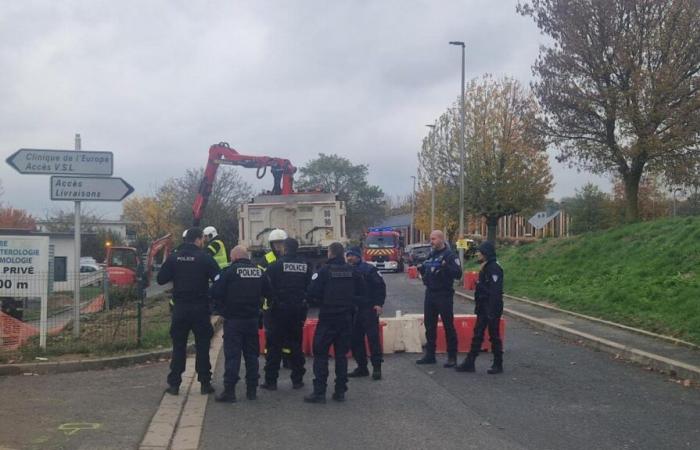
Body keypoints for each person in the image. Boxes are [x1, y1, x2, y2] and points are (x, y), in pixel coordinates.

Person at [157, 227, 220, 396]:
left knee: (179, 346)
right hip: (200, 308)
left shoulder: (174, 258)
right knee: (203, 345)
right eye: (202, 239)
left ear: (185, 240)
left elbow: (160, 279)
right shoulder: (205, 258)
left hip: (180, 308)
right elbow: (218, 279)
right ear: (199, 240)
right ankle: (205, 384)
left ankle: (175, 384)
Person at [304, 242, 365, 404]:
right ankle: (340, 391)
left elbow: (311, 293)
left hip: (328, 318)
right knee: (341, 355)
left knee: (321, 354)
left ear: (330, 254)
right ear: (343, 254)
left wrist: (322, 300)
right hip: (346, 318)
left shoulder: (324, 271)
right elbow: (361, 291)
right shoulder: (353, 272)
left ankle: (319, 392)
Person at [211, 245, 273, 402]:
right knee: (252, 356)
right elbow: (270, 293)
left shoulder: (229, 272)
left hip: (233, 321)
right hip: (252, 320)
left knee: (233, 357)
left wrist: (222, 309)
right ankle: (252, 391)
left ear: (234, 257)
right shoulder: (259, 271)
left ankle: (230, 392)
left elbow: (216, 293)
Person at [261, 238, 312, 390]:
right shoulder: (305, 266)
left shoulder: (275, 266)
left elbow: (266, 287)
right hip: (297, 311)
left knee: (274, 347)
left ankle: (271, 381)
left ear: (285, 249)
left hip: (278, 311)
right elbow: (310, 288)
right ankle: (297, 379)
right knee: (296, 345)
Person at [456, 241, 504, 374]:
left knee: (494, 335)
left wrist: (492, 311)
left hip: (491, 307)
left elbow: (495, 291)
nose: (478, 254)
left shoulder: (494, 268)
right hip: (483, 306)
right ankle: (470, 362)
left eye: (480, 252)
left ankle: (498, 363)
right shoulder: (486, 266)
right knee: (478, 334)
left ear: (486, 253)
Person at [416, 230, 462, 368]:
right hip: (430, 293)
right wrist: (421, 270)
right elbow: (426, 269)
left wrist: (445, 267)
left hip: (444, 294)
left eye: (434, 239)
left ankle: (452, 357)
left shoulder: (449, 255)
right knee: (430, 326)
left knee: (448, 326)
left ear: (441, 239)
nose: (431, 241)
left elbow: (458, 274)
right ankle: (430, 355)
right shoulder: (431, 254)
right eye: (431, 239)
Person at [345, 246, 386, 380]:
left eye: (352, 255)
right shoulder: (346, 270)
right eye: (348, 255)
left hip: (368, 309)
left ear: (358, 256)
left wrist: (378, 304)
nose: (349, 258)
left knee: (373, 339)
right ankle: (362, 367)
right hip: (353, 310)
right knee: (355, 340)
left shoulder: (369, 269)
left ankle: (377, 368)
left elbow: (380, 287)